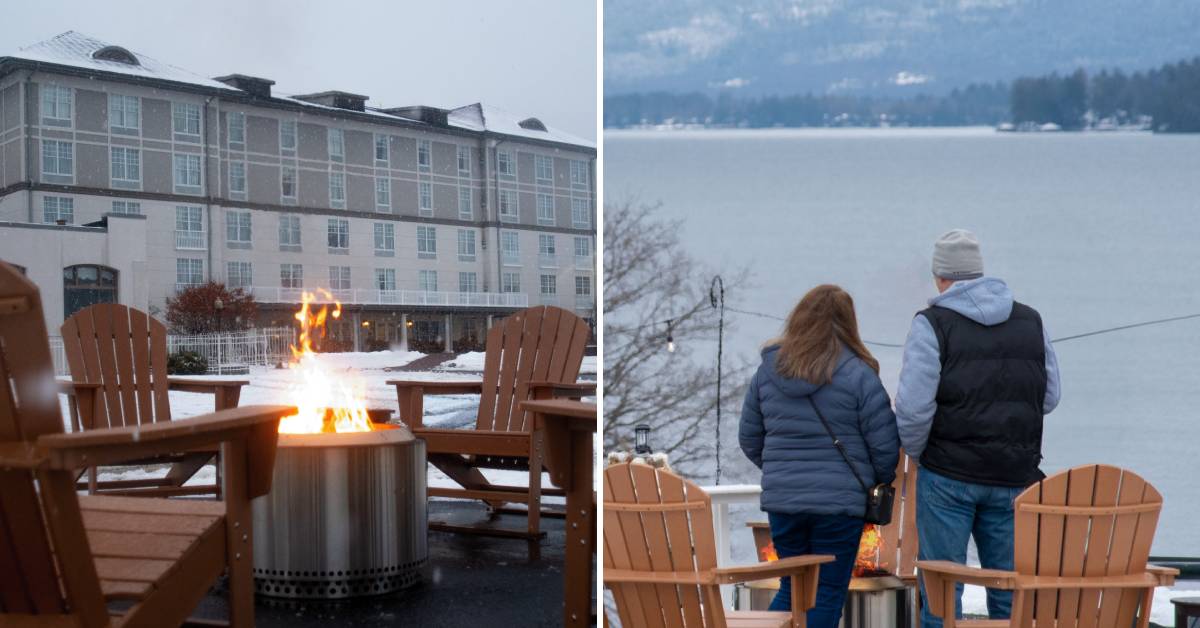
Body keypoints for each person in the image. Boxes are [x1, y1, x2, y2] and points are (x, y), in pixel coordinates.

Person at [895, 229, 1061, 627]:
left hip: (947, 476)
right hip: (1015, 476)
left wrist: (920, 456)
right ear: (979, 272)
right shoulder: (1030, 320)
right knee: (1008, 594)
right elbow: (1049, 396)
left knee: (941, 592)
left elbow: (914, 409)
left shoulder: (932, 324)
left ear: (940, 276)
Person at [739, 284, 900, 627]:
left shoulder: (768, 372)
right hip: (839, 506)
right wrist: (873, 482)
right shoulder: (859, 374)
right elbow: (885, 446)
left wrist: (783, 471)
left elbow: (750, 438)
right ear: (847, 324)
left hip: (784, 503)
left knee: (792, 586)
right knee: (826, 591)